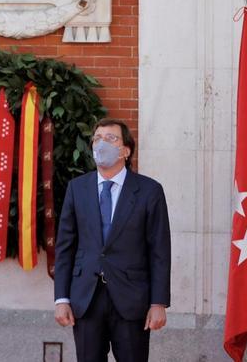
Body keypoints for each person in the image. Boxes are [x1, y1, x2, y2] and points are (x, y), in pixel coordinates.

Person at [53, 118, 171, 362]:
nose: (101, 143)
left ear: (125, 151)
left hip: (131, 300)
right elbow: (65, 247)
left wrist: (158, 302)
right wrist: (61, 298)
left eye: (110, 138)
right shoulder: (77, 188)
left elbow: (159, 250)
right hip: (86, 299)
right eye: (97, 138)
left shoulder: (149, 191)